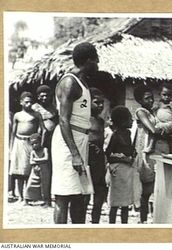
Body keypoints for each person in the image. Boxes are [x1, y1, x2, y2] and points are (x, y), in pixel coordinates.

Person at [51, 42, 99, 224]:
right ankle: (60, 239)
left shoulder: (82, 82)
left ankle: (77, 237)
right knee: (63, 196)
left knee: (80, 195)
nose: (98, 64)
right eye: (96, 60)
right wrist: (74, 154)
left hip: (80, 139)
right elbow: (63, 120)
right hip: (67, 142)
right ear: (88, 61)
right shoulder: (69, 82)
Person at [133, 84, 170, 223]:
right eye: (147, 98)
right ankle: (143, 219)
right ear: (140, 100)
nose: (151, 101)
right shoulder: (140, 112)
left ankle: (157, 218)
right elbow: (153, 130)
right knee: (147, 188)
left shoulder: (153, 112)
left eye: (152, 98)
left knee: (157, 185)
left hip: (155, 150)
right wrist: (164, 130)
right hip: (145, 151)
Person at [10, 91, 45, 202]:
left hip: (31, 144)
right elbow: (13, 132)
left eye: (30, 102)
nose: (29, 104)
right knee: (19, 172)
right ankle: (20, 196)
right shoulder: (17, 115)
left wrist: (40, 144)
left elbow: (43, 129)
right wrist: (10, 148)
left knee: (30, 170)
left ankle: (29, 196)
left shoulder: (36, 115)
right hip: (19, 143)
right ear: (21, 102)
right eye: (26, 102)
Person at [105, 106, 136, 224]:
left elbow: (130, 150)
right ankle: (112, 225)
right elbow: (108, 154)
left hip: (127, 172)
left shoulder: (128, 134)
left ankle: (124, 225)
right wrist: (123, 159)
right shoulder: (115, 135)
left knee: (125, 203)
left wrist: (132, 155)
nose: (132, 121)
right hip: (118, 172)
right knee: (115, 202)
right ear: (122, 121)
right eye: (130, 119)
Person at [84, 88, 108, 223]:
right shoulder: (84, 119)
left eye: (102, 103)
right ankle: (80, 223)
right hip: (87, 159)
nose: (100, 106)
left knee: (100, 193)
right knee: (86, 194)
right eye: (96, 102)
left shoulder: (100, 121)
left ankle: (95, 223)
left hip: (99, 161)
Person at [32, 84, 58, 206]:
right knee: (39, 170)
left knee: (50, 169)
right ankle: (40, 197)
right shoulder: (34, 108)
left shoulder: (54, 109)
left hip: (52, 141)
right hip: (38, 142)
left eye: (47, 96)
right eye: (42, 96)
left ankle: (49, 197)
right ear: (38, 97)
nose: (44, 98)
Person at [24, 133, 51, 207]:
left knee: (45, 185)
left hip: (45, 170)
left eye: (36, 143)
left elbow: (46, 158)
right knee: (30, 184)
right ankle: (27, 199)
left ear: (40, 142)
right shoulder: (33, 152)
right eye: (32, 144)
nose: (34, 145)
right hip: (35, 170)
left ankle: (46, 201)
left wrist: (36, 160)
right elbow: (31, 162)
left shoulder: (45, 149)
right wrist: (39, 160)